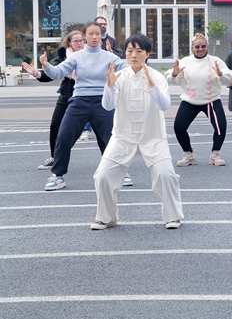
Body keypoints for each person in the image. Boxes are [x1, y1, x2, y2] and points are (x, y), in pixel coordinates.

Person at [91, 34, 184, 230]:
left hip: (153, 137)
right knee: (103, 176)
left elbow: (165, 105)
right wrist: (109, 86)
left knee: (166, 175)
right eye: (129, 51)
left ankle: (173, 216)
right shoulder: (119, 76)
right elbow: (107, 106)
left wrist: (152, 87)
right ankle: (107, 217)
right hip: (123, 137)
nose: (134, 55)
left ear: (148, 54)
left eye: (139, 51)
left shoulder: (156, 76)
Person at [22, 22, 128, 191]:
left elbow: (128, 70)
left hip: (103, 101)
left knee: (112, 138)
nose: (94, 37)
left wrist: (141, 64)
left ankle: (120, 172)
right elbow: (58, 72)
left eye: (97, 34)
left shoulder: (110, 57)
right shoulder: (76, 57)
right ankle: (58, 176)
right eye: (91, 34)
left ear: (101, 36)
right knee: (63, 137)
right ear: (85, 37)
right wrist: (46, 66)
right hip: (79, 101)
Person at [167, 33, 232, 167]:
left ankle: (215, 154)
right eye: (197, 47)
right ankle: (188, 155)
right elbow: (171, 80)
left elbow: (229, 78)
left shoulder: (215, 61)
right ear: (192, 48)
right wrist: (174, 74)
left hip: (211, 100)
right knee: (179, 127)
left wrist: (220, 74)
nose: (200, 49)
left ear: (207, 47)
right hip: (190, 100)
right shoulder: (185, 61)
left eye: (203, 46)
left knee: (221, 127)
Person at [33, 30, 84, 170]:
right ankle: (54, 157)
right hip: (67, 94)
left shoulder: (90, 54)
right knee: (55, 126)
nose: (80, 44)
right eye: (76, 41)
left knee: (103, 129)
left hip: (87, 96)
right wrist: (37, 73)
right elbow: (52, 73)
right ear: (69, 43)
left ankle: (114, 162)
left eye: (82, 41)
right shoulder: (63, 56)